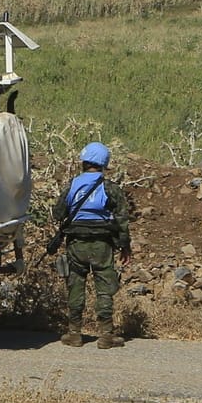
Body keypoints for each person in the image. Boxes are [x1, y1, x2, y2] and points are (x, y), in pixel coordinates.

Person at [45, 141, 132, 349]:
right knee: (104, 289)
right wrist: (125, 246)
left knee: (76, 286)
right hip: (102, 246)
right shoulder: (111, 188)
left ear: (83, 162)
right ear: (104, 164)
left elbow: (58, 214)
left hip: (76, 245)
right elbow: (122, 221)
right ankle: (106, 336)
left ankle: (74, 334)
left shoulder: (72, 186)